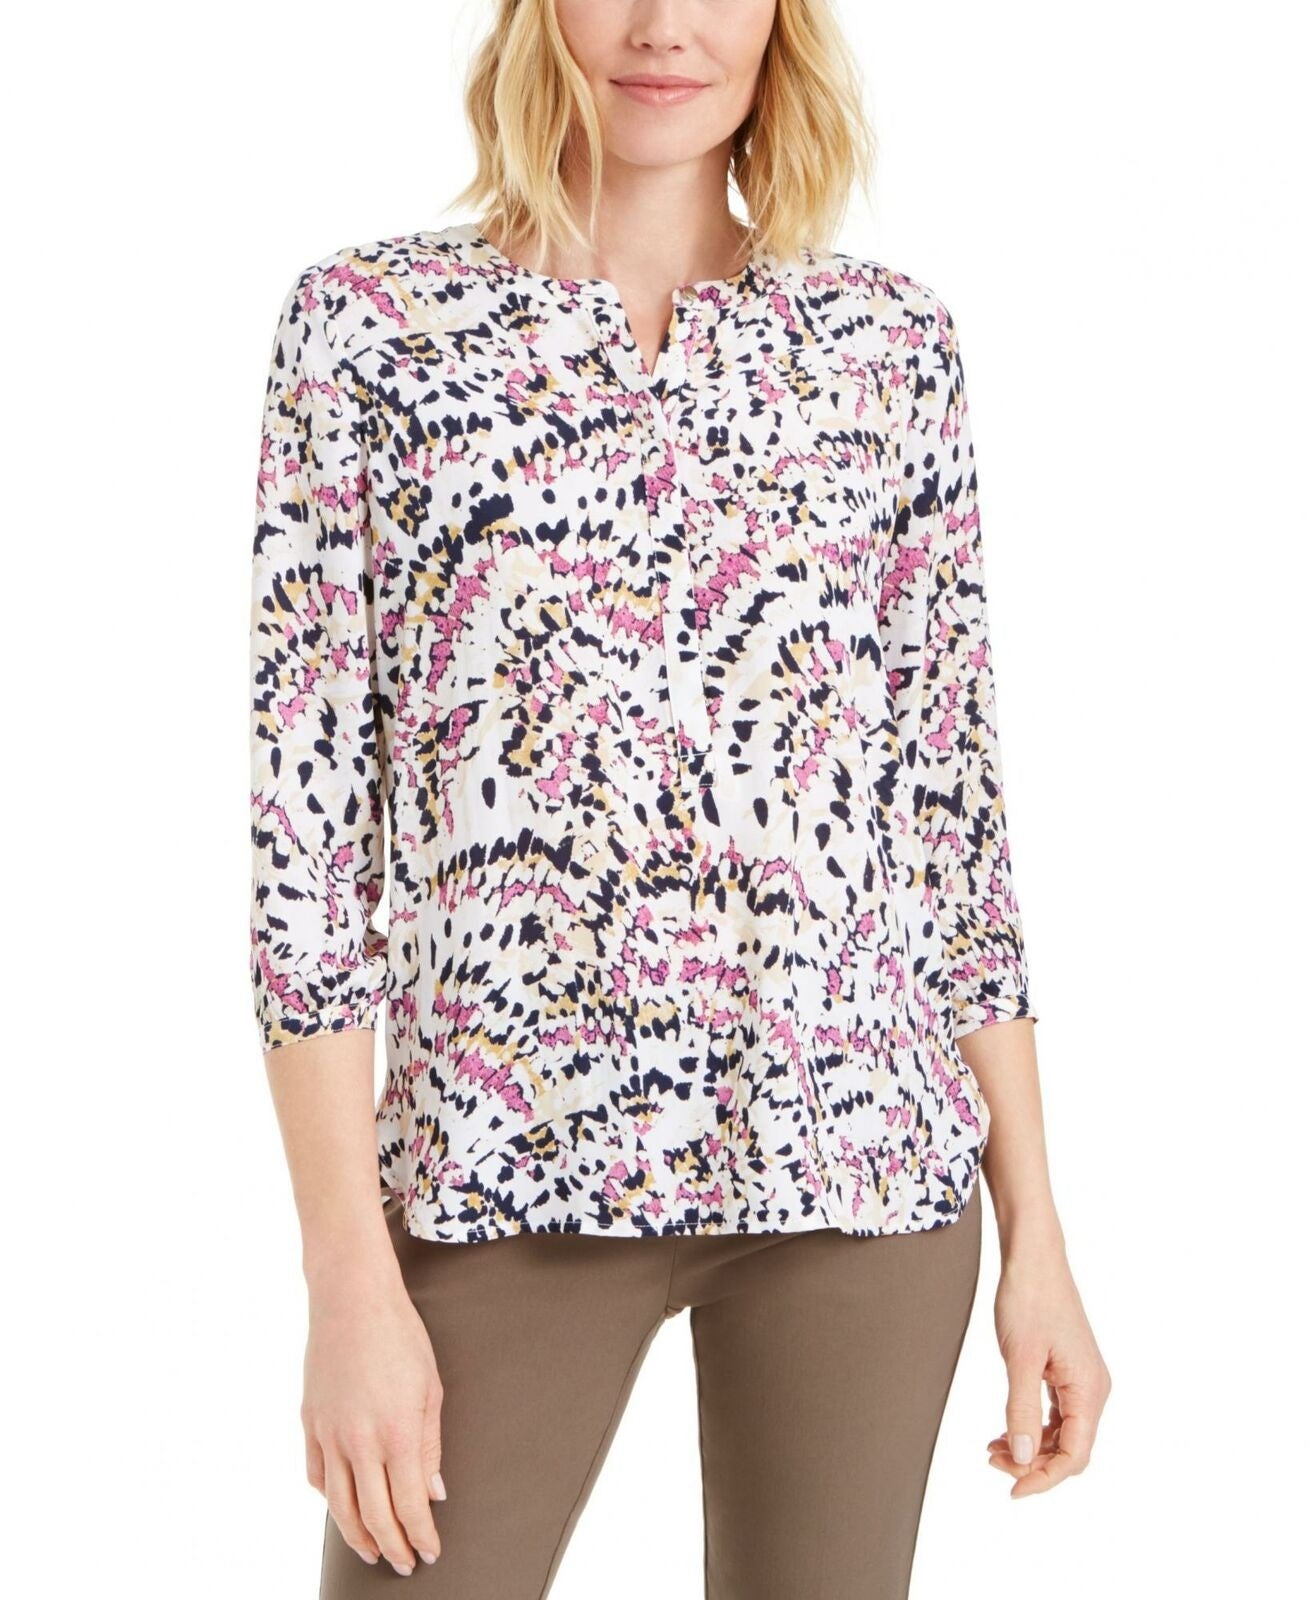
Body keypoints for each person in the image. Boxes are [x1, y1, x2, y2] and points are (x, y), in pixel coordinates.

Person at [247, 1, 1111, 1594]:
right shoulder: (371, 328)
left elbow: (948, 812)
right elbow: (304, 846)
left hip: (862, 1170)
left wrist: (1038, 1238)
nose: (662, 28)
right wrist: (346, 1283)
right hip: (501, 1173)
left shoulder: (884, 345)